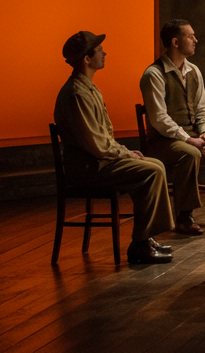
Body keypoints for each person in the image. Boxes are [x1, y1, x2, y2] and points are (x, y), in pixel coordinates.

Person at [53, 31, 176, 264]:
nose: (105, 53)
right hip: (89, 168)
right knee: (151, 170)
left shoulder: (89, 88)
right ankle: (140, 243)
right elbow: (96, 144)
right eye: (100, 50)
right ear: (87, 59)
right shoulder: (77, 93)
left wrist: (126, 154)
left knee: (154, 164)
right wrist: (125, 154)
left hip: (99, 161)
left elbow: (103, 136)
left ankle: (145, 237)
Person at [138, 19, 205, 236]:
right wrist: (189, 139)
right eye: (190, 36)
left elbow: (203, 107)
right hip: (162, 142)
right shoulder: (154, 74)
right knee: (189, 153)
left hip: (192, 136)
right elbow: (159, 118)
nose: (195, 40)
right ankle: (184, 216)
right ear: (175, 42)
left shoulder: (193, 71)